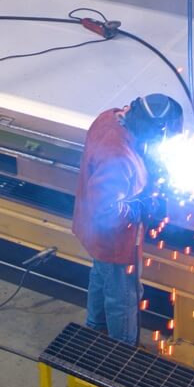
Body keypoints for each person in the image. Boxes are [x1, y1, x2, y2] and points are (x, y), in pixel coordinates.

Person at [72, 94, 183, 346]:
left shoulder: (111, 117)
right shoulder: (119, 158)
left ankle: (94, 329)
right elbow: (106, 209)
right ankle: (122, 352)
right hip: (114, 242)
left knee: (101, 280)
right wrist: (142, 205)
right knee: (123, 297)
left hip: (94, 234)